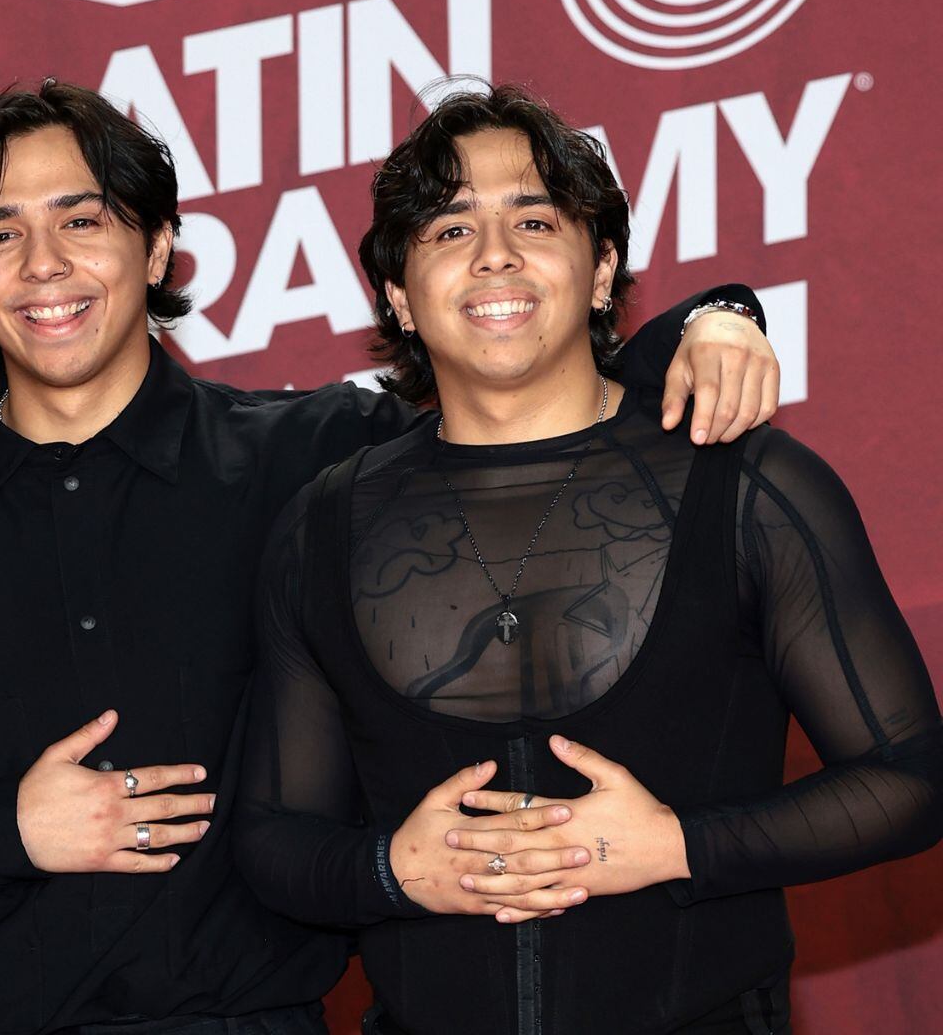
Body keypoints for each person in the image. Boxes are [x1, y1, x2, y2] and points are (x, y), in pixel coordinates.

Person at [0, 78, 779, 1034]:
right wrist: (3, 834)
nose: (46, 266)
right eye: (0, 237)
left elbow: (526, 391)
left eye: (83, 221)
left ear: (159, 248)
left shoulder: (319, 461)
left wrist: (709, 321)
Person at [236, 84, 943, 1034]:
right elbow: (274, 839)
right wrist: (390, 871)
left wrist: (681, 847)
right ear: (399, 297)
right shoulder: (319, 526)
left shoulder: (750, 487)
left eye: (534, 218)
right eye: (448, 230)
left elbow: (910, 780)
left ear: (603, 269)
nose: (494, 254)